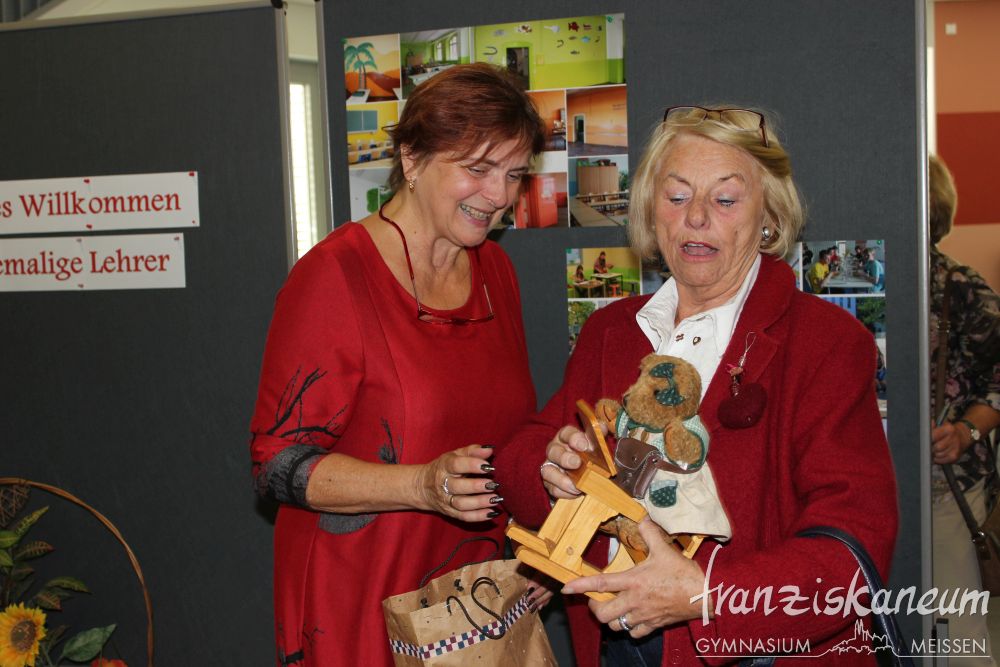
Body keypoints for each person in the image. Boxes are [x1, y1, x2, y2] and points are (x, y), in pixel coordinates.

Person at [496, 105, 898, 666]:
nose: (697, 218)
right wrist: (553, 468)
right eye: (677, 196)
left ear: (768, 217)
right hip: (616, 645)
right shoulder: (611, 330)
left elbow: (855, 542)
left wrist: (708, 594)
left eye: (725, 199)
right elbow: (522, 455)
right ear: (651, 210)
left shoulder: (827, 342)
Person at [248, 63, 547, 666]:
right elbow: (275, 465)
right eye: (478, 169)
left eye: (514, 175)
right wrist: (420, 485)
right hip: (358, 600)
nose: (500, 196)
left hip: (470, 604)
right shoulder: (335, 275)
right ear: (412, 158)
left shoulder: (495, 272)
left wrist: (535, 544)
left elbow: (508, 438)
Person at [928, 153, 1000, 666]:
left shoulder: (965, 289)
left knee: (957, 633)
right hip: (861, 480)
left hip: (947, 486)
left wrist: (966, 432)